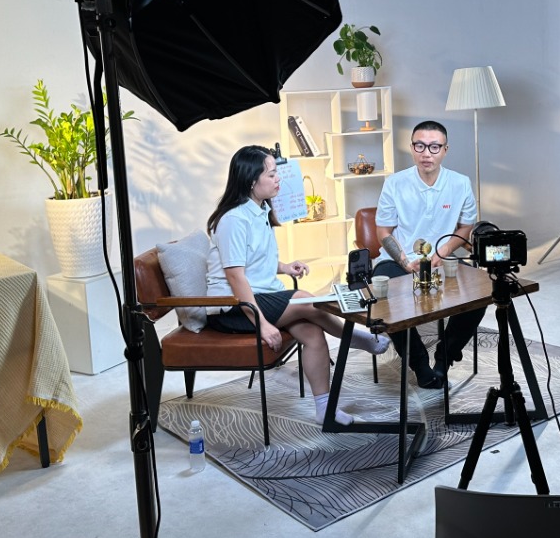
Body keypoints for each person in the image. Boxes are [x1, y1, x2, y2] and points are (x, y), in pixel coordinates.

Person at [205, 145, 390, 425]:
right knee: (307, 300)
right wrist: (262, 324)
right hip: (233, 308)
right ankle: (357, 337)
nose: (277, 179)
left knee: (313, 334)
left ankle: (324, 409)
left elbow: (252, 261)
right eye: (271, 174)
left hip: (259, 295)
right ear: (251, 181)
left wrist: (284, 267)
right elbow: (235, 276)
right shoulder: (233, 219)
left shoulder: (259, 210)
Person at [373, 120, 484, 388]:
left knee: (481, 294)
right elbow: (383, 231)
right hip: (398, 260)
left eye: (434, 147)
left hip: (442, 260)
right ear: (412, 148)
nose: (426, 153)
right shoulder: (395, 183)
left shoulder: (460, 183)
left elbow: (465, 227)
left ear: (445, 150)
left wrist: (443, 251)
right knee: (390, 299)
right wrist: (403, 261)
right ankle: (420, 364)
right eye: (420, 146)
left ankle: (445, 357)